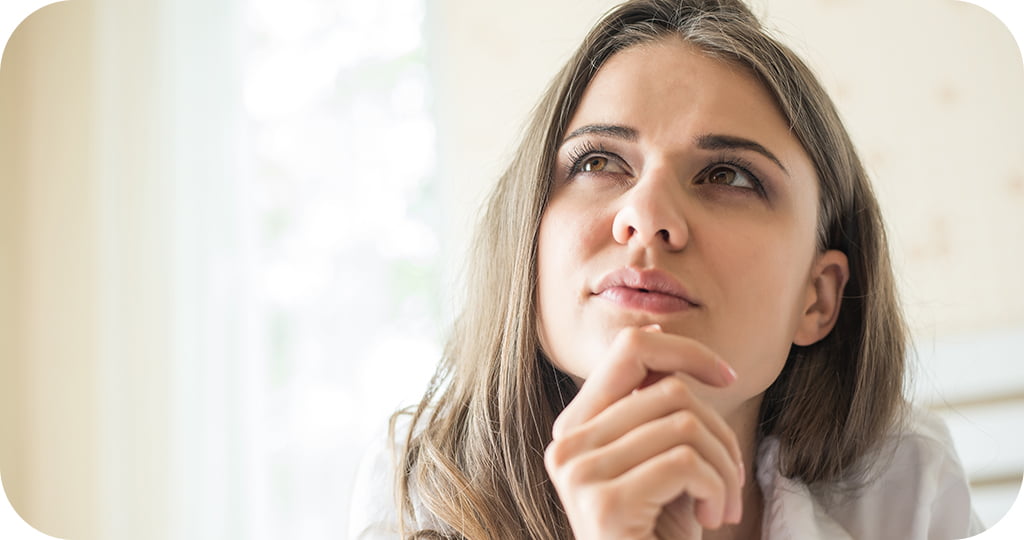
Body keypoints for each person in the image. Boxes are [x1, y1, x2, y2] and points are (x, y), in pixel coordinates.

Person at [349, 0, 985, 538]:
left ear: (816, 299)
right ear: (530, 243)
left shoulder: (909, 486)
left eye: (728, 175)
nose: (646, 215)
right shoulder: (416, 490)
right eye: (598, 162)